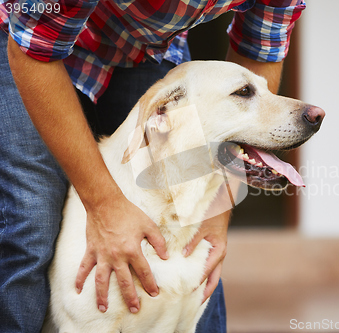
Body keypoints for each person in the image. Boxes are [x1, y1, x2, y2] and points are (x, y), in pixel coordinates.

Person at [0, 0, 305, 331]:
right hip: (28, 40)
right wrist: (104, 205)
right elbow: (33, 48)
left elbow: (259, 51)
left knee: (197, 240)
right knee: (31, 221)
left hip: (148, 46)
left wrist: (217, 210)